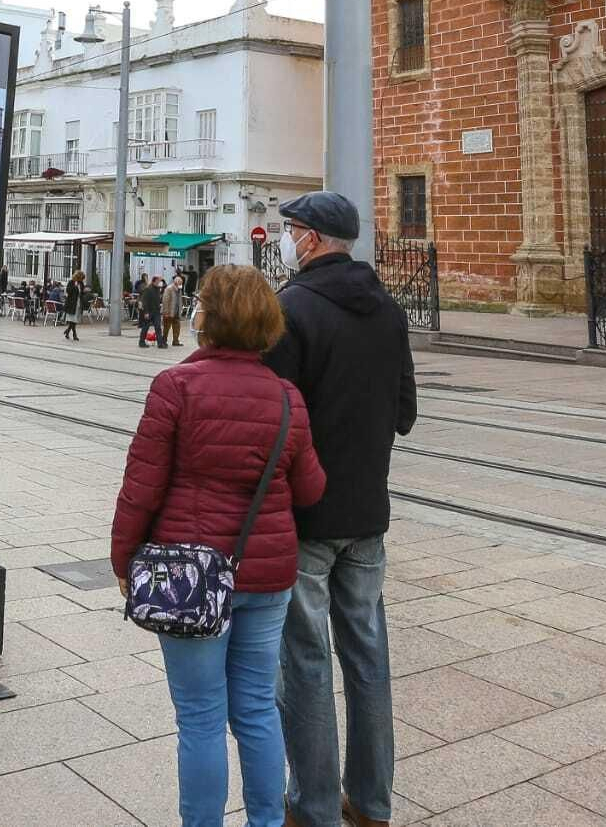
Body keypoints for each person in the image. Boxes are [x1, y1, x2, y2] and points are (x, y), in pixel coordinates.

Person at [111, 265, 326, 827]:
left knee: (202, 716)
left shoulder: (175, 387)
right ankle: (267, 822)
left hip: (189, 578)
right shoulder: (286, 397)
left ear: (207, 318)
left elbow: (141, 488)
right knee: (256, 707)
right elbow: (310, 489)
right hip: (266, 576)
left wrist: (123, 560)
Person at [265, 192, 417, 827]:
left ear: (313, 239)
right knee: (368, 654)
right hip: (368, 514)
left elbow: (276, 420)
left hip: (309, 518)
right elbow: (405, 415)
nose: (285, 239)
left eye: (290, 230)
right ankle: (373, 801)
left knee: (304, 658)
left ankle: (315, 805)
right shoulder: (389, 310)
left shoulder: (291, 308)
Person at [139, 276, 166, 348]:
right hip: (149, 311)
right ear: (155, 280)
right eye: (160, 280)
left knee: (158, 327)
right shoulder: (148, 289)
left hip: (156, 311)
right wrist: (146, 312)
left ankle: (160, 343)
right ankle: (141, 342)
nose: (161, 282)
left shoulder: (158, 289)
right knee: (145, 327)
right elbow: (145, 301)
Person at [162, 270, 186, 348]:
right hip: (169, 312)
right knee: (166, 328)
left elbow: (180, 300)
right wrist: (166, 312)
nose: (181, 285)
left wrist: (181, 310)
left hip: (176, 312)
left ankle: (175, 341)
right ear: (176, 282)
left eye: (181, 283)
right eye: (180, 283)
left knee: (177, 327)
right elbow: (165, 301)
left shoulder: (179, 290)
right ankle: (164, 340)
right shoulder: (169, 289)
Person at [63, 270, 85, 342]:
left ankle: (67, 331)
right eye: (81, 278)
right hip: (71, 304)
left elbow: (82, 292)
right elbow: (68, 291)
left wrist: (84, 291)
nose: (82, 280)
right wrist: (74, 286)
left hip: (78, 303)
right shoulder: (71, 282)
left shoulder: (81, 283)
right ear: (77, 277)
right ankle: (74, 335)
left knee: (74, 320)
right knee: (73, 319)